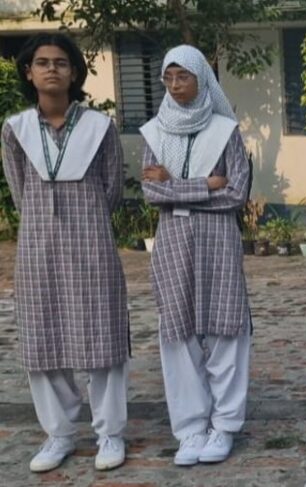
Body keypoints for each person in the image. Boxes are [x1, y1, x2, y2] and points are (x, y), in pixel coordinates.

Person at [2, 33, 130, 472]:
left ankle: (110, 433)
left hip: (92, 245)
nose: (52, 69)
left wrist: (83, 219)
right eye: (42, 62)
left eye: (61, 62)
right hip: (38, 249)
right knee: (44, 339)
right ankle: (58, 434)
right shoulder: (16, 130)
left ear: (75, 72)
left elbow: (112, 189)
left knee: (102, 337)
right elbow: (20, 191)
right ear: (29, 72)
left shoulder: (99, 127)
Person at [140, 45, 252, 466]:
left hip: (219, 241)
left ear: (201, 78)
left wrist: (175, 185)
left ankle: (224, 425)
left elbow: (236, 193)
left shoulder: (225, 130)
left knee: (226, 331)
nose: (175, 85)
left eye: (182, 76)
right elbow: (152, 192)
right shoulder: (154, 132)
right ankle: (190, 429)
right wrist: (206, 184)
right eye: (168, 77)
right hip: (173, 242)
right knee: (178, 333)